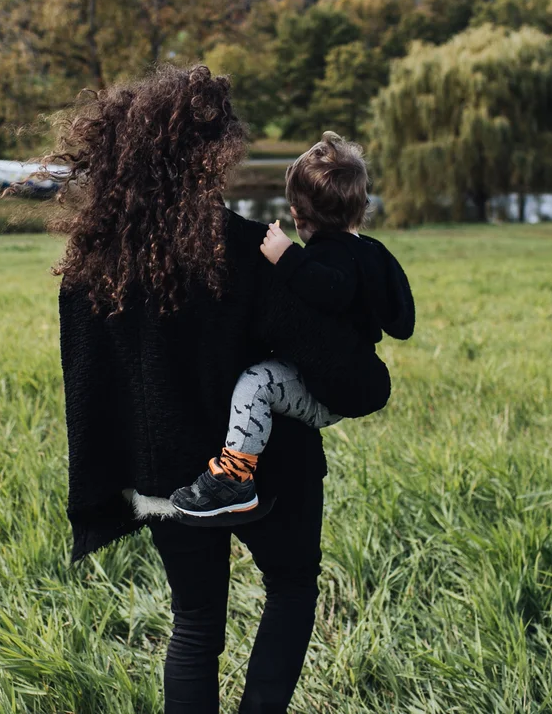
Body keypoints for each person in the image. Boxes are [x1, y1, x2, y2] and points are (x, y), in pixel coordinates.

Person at [54, 66, 392, 714]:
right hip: (271, 467)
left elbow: (90, 390)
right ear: (205, 156)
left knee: (196, 619)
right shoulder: (244, 250)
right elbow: (350, 380)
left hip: (166, 480)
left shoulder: (89, 263)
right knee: (292, 586)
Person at [168, 132, 415, 522]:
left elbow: (329, 290)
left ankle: (235, 478)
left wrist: (287, 258)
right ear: (361, 207)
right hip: (359, 378)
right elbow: (403, 321)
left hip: (330, 390)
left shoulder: (326, 259)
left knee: (256, 383)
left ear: (297, 214)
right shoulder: (374, 252)